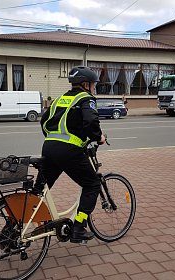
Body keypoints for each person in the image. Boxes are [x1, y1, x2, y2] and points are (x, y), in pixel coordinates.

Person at [35, 66, 106, 243]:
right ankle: (78, 228)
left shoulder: (59, 99)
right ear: (85, 84)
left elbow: (44, 122)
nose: (94, 88)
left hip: (49, 147)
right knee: (92, 185)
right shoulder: (86, 98)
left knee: (39, 189)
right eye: (93, 84)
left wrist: (54, 140)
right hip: (69, 151)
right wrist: (99, 137)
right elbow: (90, 120)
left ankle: (12, 226)